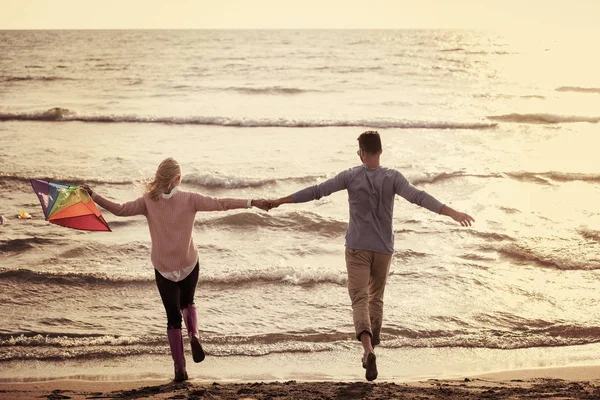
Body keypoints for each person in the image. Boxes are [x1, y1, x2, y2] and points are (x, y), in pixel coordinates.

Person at [267, 131, 474, 381]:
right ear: (381, 151)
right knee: (376, 299)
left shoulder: (351, 175)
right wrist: (452, 213)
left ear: (362, 153)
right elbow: (419, 197)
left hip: (357, 247)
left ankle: (367, 352)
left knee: (359, 298)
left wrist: (280, 200)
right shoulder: (393, 177)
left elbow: (317, 191)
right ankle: (372, 349)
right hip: (383, 250)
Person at [81, 158, 269, 382]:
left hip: (164, 268)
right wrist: (252, 201)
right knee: (188, 302)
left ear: (159, 177)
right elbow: (221, 203)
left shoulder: (147, 201)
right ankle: (194, 334)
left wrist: (93, 196)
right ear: (178, 179)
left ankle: (180, 369)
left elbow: (120, 210)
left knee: (172, 319)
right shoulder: (190, 199)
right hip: (188, 263)